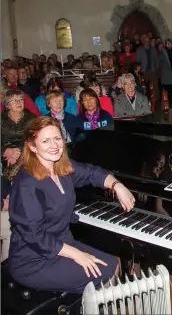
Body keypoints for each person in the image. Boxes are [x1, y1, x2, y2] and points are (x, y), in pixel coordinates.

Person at [8, 116, 135, 294]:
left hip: (62, 241)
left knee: (113, 264)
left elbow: (92, 173)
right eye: (45, 140)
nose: (54, 145)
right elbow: (34, 235)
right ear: (32, 146)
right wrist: (76, 254)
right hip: (32, 259)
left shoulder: (60, 166)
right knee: (105, 272)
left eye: (57, 138)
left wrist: (117, 185)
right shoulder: (27, 183)